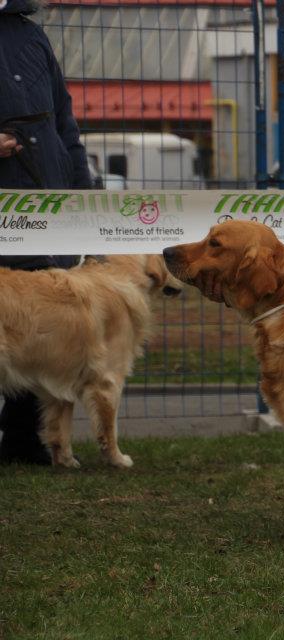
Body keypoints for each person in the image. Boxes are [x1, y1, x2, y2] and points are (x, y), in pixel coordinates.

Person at [0, 0, 91, 464]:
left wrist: (83, 189)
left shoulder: (30, 34)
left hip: (46, 194)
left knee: (34, 323)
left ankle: (22, 437)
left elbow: (64, 119)